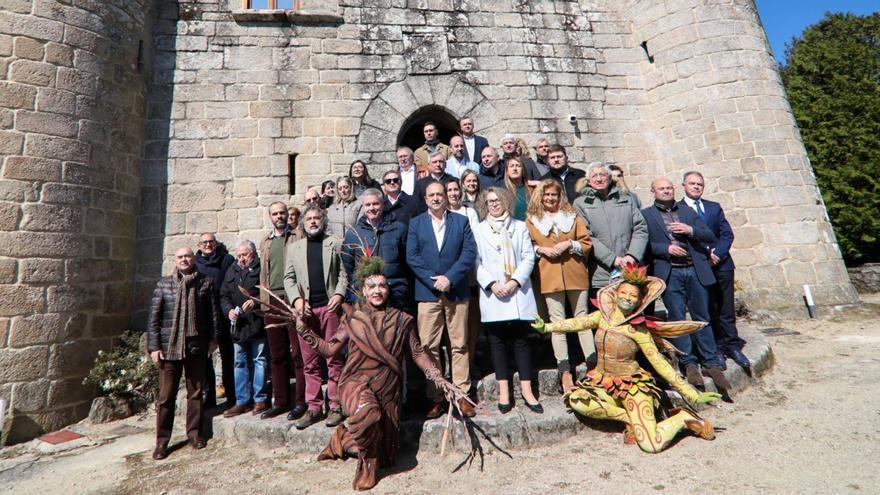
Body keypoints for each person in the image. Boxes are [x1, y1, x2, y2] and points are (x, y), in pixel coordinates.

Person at [291, 257, 469, 491]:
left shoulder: (403, 320)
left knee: (387, 451)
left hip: (388, 389)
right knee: (369, 414)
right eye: (372, 286)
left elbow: (417, 354)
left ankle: (345, 436)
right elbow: (329, 349)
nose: (377, 291)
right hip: (354, 381)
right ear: (364, 290)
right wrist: (305, 332)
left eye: (382, 286)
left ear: (388, 289)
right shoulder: (352, 318)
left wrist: (439, 379)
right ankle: (367, 465)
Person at [532, 263, 722, 453]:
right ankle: (628, 419)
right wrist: (547, 327)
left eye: (633, 296)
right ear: (615, 294)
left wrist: (692, 394)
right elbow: (578, 322)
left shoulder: (638, 331)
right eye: (624, 293)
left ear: (640, 301)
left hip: (632, 387)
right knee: (576, 399)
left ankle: (684, 419)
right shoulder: (602, 317)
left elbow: (660, 363)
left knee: (651, 445)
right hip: (603, 383)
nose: (627, 298)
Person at [641, 178, 730, 391]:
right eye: (661, 188)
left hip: (694, 269)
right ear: (653, 191)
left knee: (702, 316)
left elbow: (709, 235)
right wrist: (665, 249)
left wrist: (690, 230)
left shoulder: (687, 211)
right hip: (671, 272)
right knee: (677, 318)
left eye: (669, 188)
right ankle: (688, 363)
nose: (666, 191)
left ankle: (710, 362)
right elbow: (644, 243)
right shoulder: (647, 214)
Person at [406, 181, 478, 419]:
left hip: (456, 291)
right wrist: (433, 281)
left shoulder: (461, 221)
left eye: (440, 193)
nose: (436, 198)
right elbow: (412, 256)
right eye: (432, 195)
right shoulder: (416, 224)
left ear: (447, 196)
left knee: (459, 344)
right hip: (428, 294)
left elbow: (469, 253)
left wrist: (450, 278)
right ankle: (436, 395)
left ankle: (462, 395)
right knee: (428, 346)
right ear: (425, 199)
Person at [473, 188, 542, 413]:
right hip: (494, 293)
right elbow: (476, 262)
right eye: (489, 201)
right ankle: (504, 391)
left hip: (517, 292)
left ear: (506, 202)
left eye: (498, 200)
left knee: (521, 342)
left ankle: (527, 390)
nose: (494, 204)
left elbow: (528, 256)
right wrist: (492, 284)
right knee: (497, 342)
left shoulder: (519, 226)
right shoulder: (479, 229)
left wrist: (514, 282)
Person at [147, 247, 219, 460]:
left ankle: (194, 434)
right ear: (175, 260)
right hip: (170, 348)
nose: (184, 259)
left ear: (194, 259)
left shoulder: (205, 282)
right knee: (165, 397)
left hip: (195, 347)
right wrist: (154, 347)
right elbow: (154, 319)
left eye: (187, 256)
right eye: (180, 257)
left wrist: (213, 341)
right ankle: (162, 442)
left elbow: (213, 315)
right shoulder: (163, 284)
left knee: (195, 393)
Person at [283, 205, 348, 429]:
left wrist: (339, 294)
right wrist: (297, 301)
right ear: (303, 223)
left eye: (316, 217)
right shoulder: (295, 248)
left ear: (323, 220)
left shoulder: (335, 243)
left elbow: (343, 274)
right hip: (306, 314)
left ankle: (336, 405)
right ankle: (314, 407)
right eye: (309, 218)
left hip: (330, 310)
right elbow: (288, 278)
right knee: (309, 362)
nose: (313, 221)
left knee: (334, 359)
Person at [525, 179, 593, 393]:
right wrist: (542, 250)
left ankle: (592, 366)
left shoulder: (572, 217)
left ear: (559, 196)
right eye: (546, 195)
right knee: (557, 324)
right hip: (549, 276)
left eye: (554, 195)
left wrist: (569, 244)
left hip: (575, 273)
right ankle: (564, 371)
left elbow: (586, 242)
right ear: (540, 197)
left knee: (582, 319)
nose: (550, 199)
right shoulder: (532, 220)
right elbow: (528, 244)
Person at [680, 171, 750, 371]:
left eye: (699, 184)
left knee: (726, 308)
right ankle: (716, 347)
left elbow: (726, 234)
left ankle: (733, 346)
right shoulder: (678, 209)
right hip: (700, 266)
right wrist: (705, 256)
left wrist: (717, 253)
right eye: (692, 183)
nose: (696, 187)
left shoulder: (714, 207)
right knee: (708, 308)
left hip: (722, 264)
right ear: (684, 185)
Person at [257, 202, 307, 421]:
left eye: (282, 213)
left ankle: (301, 401)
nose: (279, 216)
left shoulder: (297, 237)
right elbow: (263, 274)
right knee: (277, 355)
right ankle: (280, 401)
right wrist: (263, 303)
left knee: (298, 353)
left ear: (288, 215)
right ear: (270, 217)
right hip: (272, 301)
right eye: (275, 213)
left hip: (293, 300)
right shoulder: (265, 242)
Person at [573, 162, 648, 303]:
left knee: (632, 314)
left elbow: (640, 229)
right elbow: (587, 236)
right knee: (606, 317)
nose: (599, 179)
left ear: (610, 178)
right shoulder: (581, 204)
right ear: (588, 181)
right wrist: (613, 259)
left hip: (630, 268)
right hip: (601, 271)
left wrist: (631, 256)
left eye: (603, 175)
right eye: (594, 175)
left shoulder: (626, 199)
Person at [219, 240, 269, 418]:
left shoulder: (260, 268)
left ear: (253, 254)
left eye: (245, 255)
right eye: (239, 255)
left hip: (256, 324)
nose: (241, 258)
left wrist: (255, 300)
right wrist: (229, 311)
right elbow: (224, 295)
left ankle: (260, 399)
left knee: (259, 360)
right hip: (238, 327)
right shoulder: (232, 270)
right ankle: (242, 401)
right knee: (240, 363)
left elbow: (267, 290)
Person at [343, 188, 410, 312]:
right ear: (363, 206)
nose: (372, 208)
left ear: (383, 204)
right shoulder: (354, 233)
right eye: (368, 205)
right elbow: (348, 266)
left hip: (395, 296)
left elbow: (407, 264)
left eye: (375, 204)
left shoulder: (399, 229)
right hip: (364, 297)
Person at [194, 233, 235, 409]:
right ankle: (209, 396)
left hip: (223, 312)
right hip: (204, 315)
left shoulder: (226, 260)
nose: (208, 245)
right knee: (205, 356)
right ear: (199, 245)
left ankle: (232, 396)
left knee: (228, 355)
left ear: (216, 243)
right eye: (205, 242)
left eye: (211, 242)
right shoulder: (195, 263)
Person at [504, 156, 532, 220]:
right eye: (511, 166)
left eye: (518, 166)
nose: (515, 168)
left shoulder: (532, 189)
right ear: (507, 172)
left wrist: (539, 184)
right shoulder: (504, 192)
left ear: (523, 170)